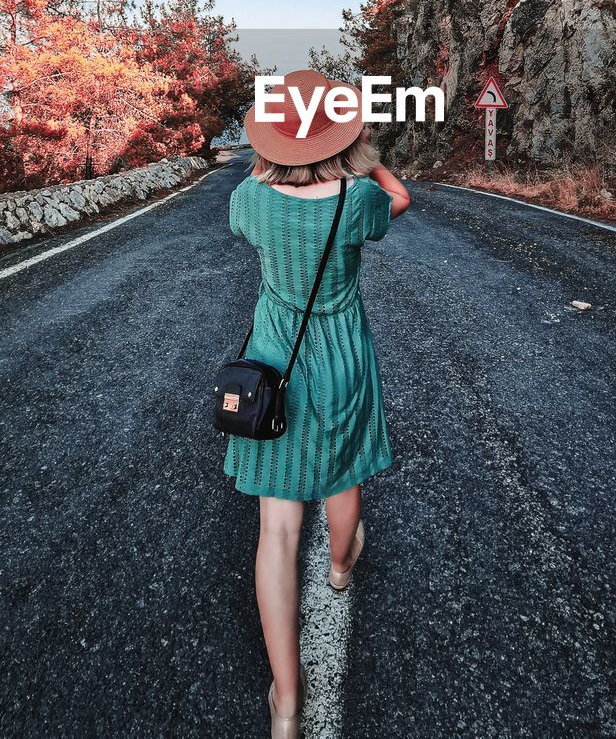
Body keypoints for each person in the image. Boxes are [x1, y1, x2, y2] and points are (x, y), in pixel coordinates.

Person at [224, 69, 410, 738]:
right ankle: (339, 566)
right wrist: (369, 157)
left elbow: (244, 224)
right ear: (342, 134)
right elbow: (402, 201)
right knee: (345, 472)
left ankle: (285, 702)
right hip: (342, 360)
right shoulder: (358, 198)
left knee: (276, 530)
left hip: (276, 363)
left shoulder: (251, 196)